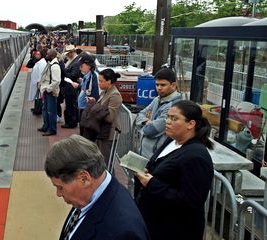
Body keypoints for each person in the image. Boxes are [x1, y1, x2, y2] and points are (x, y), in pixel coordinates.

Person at [135, 100, 214, 240]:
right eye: (168, 117)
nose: (168, 122)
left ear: (191, 124)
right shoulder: (171, 140)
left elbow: (190, 200)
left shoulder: (196, 156)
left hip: (174, 230)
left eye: (174, 118)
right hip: (154, 223)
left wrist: (151, 183)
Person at [44, 134, 150, 240]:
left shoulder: (123, 232)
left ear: (84, 179)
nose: (58, 194)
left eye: (60, 187)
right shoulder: (89, 197)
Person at [135, 67, 182, 159]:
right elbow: (139, 114)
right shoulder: (158, 99)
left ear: (173, 85)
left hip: (157, 156)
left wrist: (145, 123)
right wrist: (146, 122)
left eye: (163, 85)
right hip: (146, 154)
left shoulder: (174, 106)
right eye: (157, 85)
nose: (159, 88)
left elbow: (151, 130)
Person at [94, 69, 122, 165]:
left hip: (109, 133)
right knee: (101, 160)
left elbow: (110, 117)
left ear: (109, 81)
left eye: (101, 81)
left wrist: (95, 109)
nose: (99, 83)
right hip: (101, 130)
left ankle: (109, 179)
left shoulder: (115, 95)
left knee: (106, 162)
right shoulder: (104, 92)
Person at [71, 54, 100, 136]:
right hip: (84, 107)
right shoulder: (87, 76)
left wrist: (79, 86)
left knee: (85, 131)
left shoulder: (93, 77)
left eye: (82, 66)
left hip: (88, 108)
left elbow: (92, 93)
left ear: (89, 66)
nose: (80, 68)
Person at [37, 49, 61, 136]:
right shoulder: (50, 64)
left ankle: (52, 130)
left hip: (51, 92)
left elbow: (56, 81)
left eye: (47, 54)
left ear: (51, 56)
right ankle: (46, 126)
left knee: (51, 111)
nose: (46, 56)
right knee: (45, 109)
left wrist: (48, 89)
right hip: (47, 91)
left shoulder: (55, 66)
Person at [61, 45, 81, 129]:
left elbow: (73, 75)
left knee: (71, 105)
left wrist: (64, 71)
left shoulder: (76, 62)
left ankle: (71, 122)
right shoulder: (72, 60)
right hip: (69, 87)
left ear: (71, 53)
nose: (67, 56)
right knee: (69, 105)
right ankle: (70, 121)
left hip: (71, 88)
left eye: (68, 54)